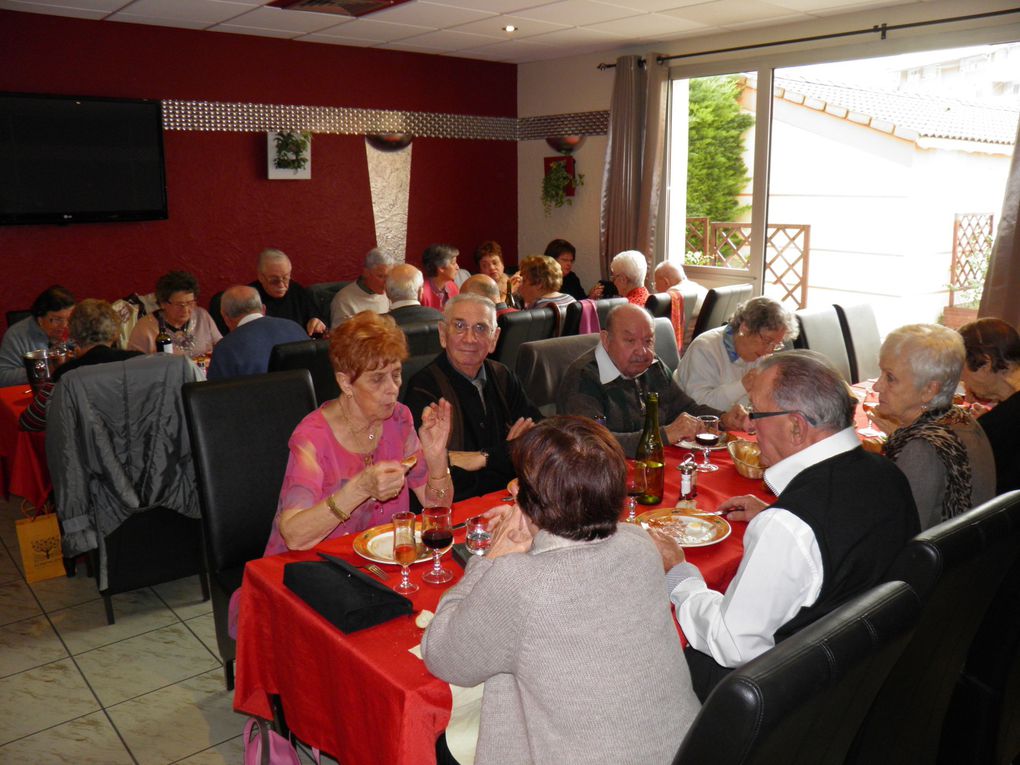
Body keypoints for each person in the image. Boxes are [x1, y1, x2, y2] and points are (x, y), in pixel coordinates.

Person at [422, 416, 700, 765]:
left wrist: (492, 557)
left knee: (444, 748)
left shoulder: (520, 582)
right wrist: (534, 534)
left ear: (527, 500)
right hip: (685, 749)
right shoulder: (639, 545)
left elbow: (444, 655)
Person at [652, 350, 919, 700]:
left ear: (796, 426)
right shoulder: (889, 475)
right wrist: (775, 511)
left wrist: (679, 575)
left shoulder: (790, 526)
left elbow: (731, 643)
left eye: (757, 414)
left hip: (787, 699)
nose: (748, 426)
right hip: (864, 677)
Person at [263, 311, 453, 555]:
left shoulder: (399, 419)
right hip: (310, 570)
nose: (392, 388)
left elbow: (436, 507)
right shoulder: (312, 438)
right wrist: (360, 489)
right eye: (377, 380)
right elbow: (294, 537)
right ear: (345, 383)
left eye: (396, 374)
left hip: (378, 565)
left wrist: (437, 459)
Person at [557, 303, 746, 456]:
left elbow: (684, 407)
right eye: (630, 341)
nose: (642, 351)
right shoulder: (583, 377)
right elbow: (590, 443)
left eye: (648, 341)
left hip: (655, 465)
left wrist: (722, 418)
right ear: (606, 340)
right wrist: (663, 435)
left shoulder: (653, 366)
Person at [403, 294, 541, 501]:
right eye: (459, 326)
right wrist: (507, 453)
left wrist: (481, 458)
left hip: (508, 499)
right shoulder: (424, 388)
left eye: (480, 328)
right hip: (456, 508)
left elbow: (540, 438)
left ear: (494, 339)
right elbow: (432, 473)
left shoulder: (503, 376)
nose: (469, 338)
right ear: (442, 334)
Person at [866, 324, 995, 529]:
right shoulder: (962, 420)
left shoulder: (921, 449)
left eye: (890, 377)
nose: (876, 386)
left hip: (944, 558)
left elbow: (899, 532)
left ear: (929, 390)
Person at [19, 299, 142, 431]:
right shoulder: (139, 362)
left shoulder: (67, 373)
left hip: (89, 449)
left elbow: (30, 421)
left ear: (72, 333)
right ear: (116, 333)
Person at [674, 296, 797, 410]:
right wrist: (743, 385)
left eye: (776, 345)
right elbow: (699, 407)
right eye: (767, 340)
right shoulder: (705, 348)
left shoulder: (758, 353)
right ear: (745, 328)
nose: (770, 350)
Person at [958, 318, 1020, 494]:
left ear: (986, 363)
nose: (964, 382)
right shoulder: (1002, 418)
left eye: (963, 372)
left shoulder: (998, 425)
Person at [206, 285, 307, 380]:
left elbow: (215, 394)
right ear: (263, 309)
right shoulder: (294, 327)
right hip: (303, 396)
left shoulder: (226, 348)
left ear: (225, 317)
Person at [127, 271, 221, 358]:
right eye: (179, 305)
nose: (186, 309)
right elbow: (135, 365)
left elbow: (221, 346)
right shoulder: (145, 327)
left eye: (190, 303)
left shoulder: (202, 316)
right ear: (163, 303)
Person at [0, 285, 75, 387]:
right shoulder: (17, 335)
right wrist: (47, 368)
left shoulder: (77, 327)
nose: (64, 325)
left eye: (69, 318)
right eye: (57, 319)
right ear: (40, 319)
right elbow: (3, 377)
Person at [251, 248, 327, 337]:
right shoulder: (249, 297)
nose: (281, 284)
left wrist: (317, 322)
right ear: (261, 277)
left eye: (286, 278)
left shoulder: (296, 291)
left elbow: (319, 320)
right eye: (274, 280)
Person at [330, 248, 393, 328]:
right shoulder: (344, 300)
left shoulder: (391, 294)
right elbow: (339, 336)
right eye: (381, 276)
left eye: (389, 277)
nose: (386, 282)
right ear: (366, 273)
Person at [653, 260, 709, 347]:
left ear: (665, 281)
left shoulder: (674, 294)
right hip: (702, 345)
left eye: (655, 283)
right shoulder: (702, 289)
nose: (655, 287)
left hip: (682, 351)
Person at [474, 241, 517, 308]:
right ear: (480, 270)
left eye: (495, 263)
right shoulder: (478, 291)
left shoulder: (515, 282)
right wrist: (508, 292)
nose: (491, 268)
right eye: (485, 265)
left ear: (502, 264)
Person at [421, 243, 461, 310]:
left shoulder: (452, 287)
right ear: (441, 268)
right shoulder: (422, 292)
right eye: (454, 263)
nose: (458, 267)